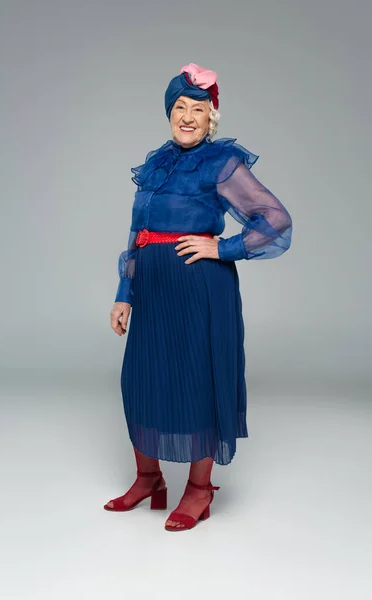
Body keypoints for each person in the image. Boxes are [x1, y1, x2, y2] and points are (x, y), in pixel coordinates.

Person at [106, 63, 292, 532]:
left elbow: (275, 218)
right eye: (180, 108)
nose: (187, 117)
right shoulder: (156, 163)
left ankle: (198, 489)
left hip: (199, 291)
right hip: (152, 292)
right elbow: (137, 234)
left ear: (212, 118)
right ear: (169, 114)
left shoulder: (220, 163)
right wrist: (124, 292)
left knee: (196, 382)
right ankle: (148, 479)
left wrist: (222, 246)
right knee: (141, 379)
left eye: (198, 109)